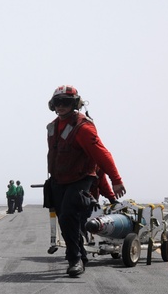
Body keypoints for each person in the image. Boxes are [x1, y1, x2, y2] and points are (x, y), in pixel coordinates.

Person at [46, 85, 125, 277]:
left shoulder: (83, 127)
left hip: (80, 179)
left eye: (66, 102)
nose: (61, 105)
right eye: (58, 102)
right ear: (53, 105)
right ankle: (80, 253)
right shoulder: (52, 127)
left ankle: (75, 259)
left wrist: (116, 179)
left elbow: (101, 153)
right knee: (64, 221)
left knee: (68, 216)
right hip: (58, 180)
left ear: (75, 104)